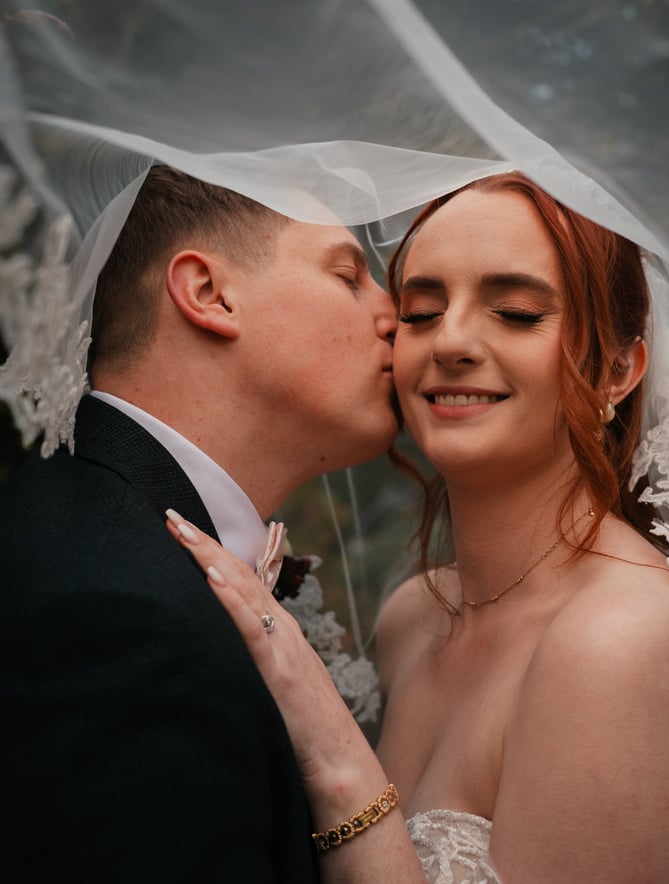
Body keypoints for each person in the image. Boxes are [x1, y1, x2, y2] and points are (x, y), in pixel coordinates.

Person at [166, 171, 669, 882]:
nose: (450, 341)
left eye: (514, 312)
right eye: (419, 313)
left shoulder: (625, 640)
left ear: (616, 369)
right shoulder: (411, 618)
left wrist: (335, 757)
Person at [0, 164, 399, 882]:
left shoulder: (86, 527)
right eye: (348, 275)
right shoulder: (111, 617)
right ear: (210, 294)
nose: (394, 314)